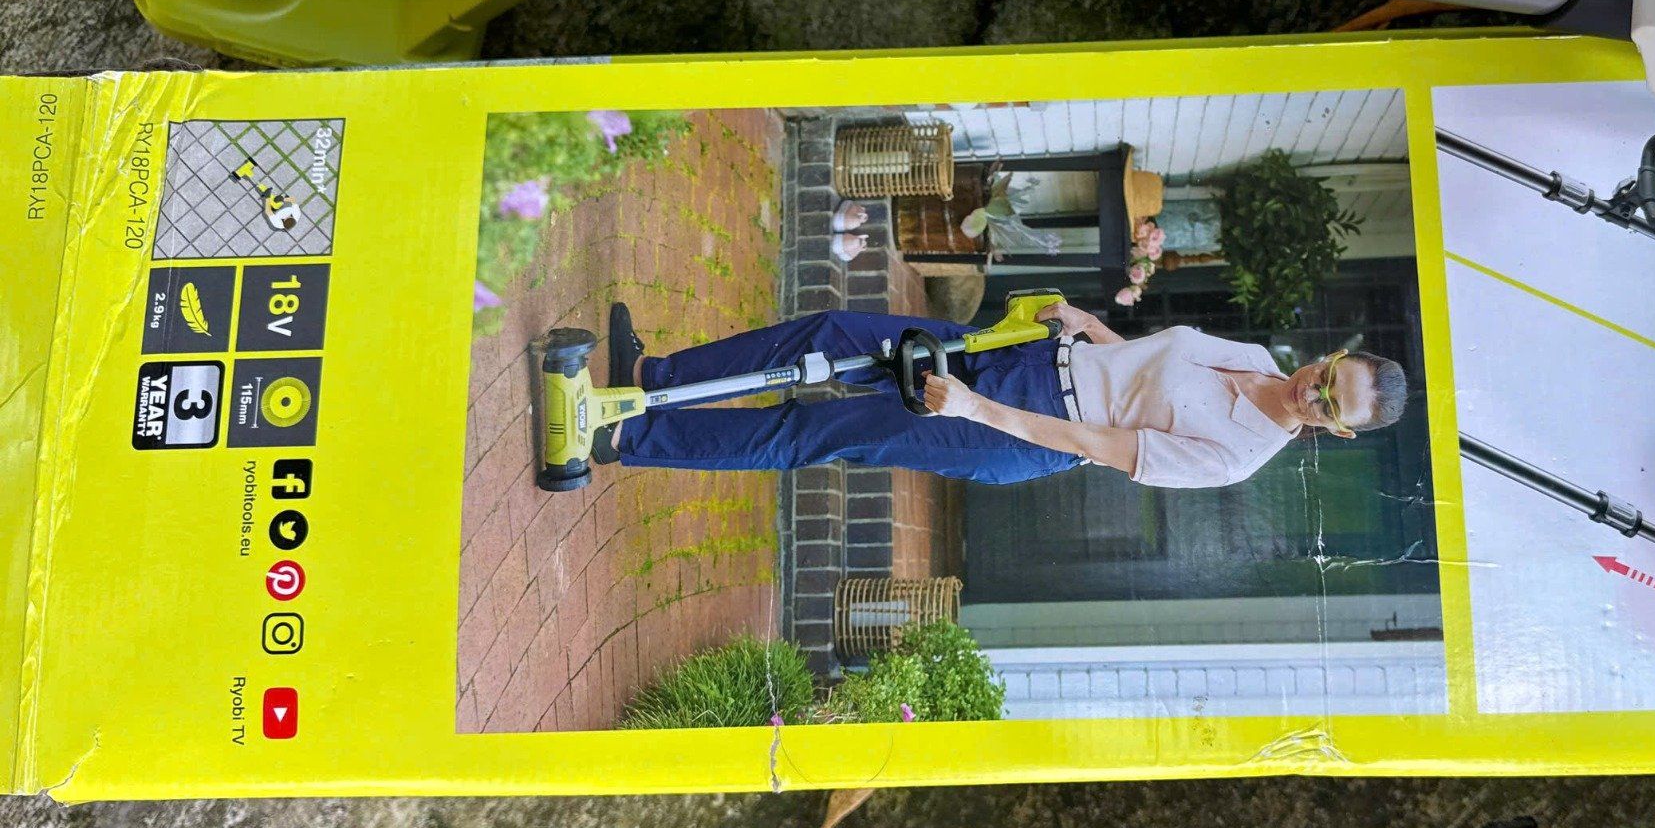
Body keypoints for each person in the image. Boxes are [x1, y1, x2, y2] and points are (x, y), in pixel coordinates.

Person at [597, 299, 1408, 488]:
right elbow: (1146, 363)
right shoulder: (1257, 356)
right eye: (1329, 375)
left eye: (1331, 405)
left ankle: (633, 438)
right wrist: (1087, 323)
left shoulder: (1235, 456)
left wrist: (976, 409)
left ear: (1337, 431)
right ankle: (655, 380)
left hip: (1017, 428)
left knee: (825, 430)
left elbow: (1095, 443)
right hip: (1030, 355)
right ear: (1331, 357)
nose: (1314, 391)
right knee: (832, 336)